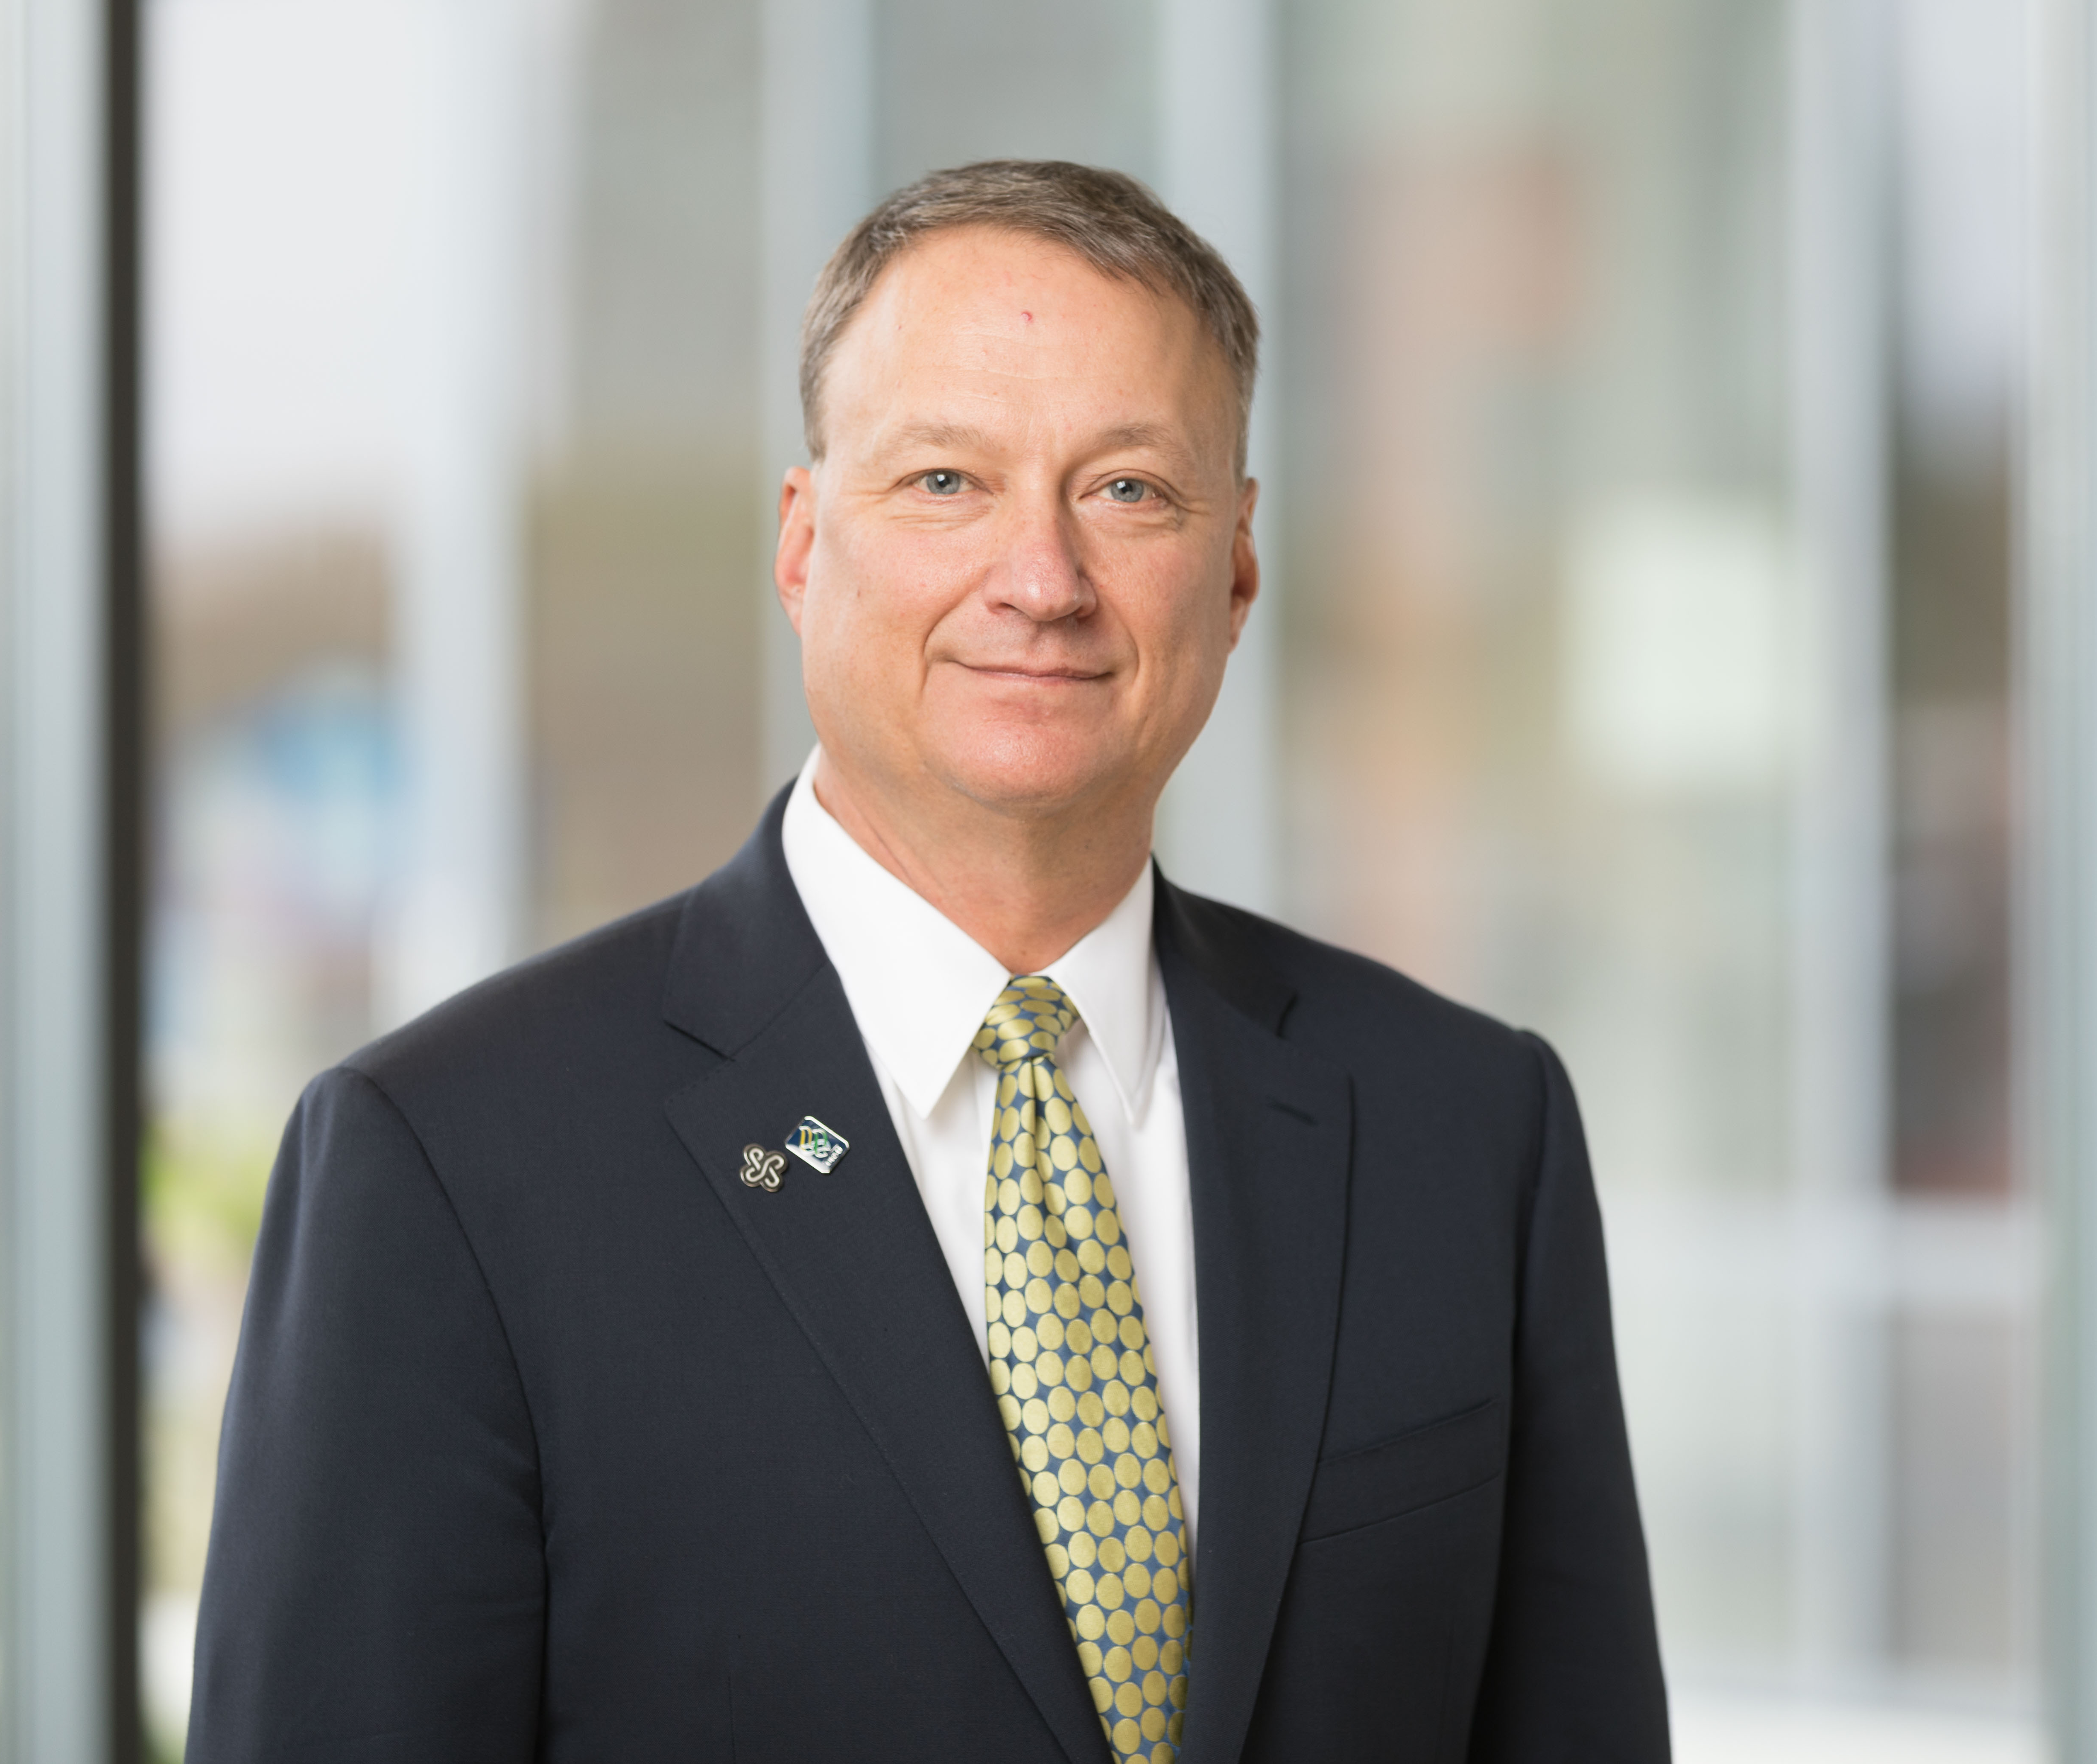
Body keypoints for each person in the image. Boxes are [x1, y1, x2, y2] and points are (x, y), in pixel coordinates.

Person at [188, 159, 1667, 1764]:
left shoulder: (1468, 1126)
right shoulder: (454, 1167)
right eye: (946, 482)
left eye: (1128, 491)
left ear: (1236, 567)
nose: (1040, 581)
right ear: (805, 543)